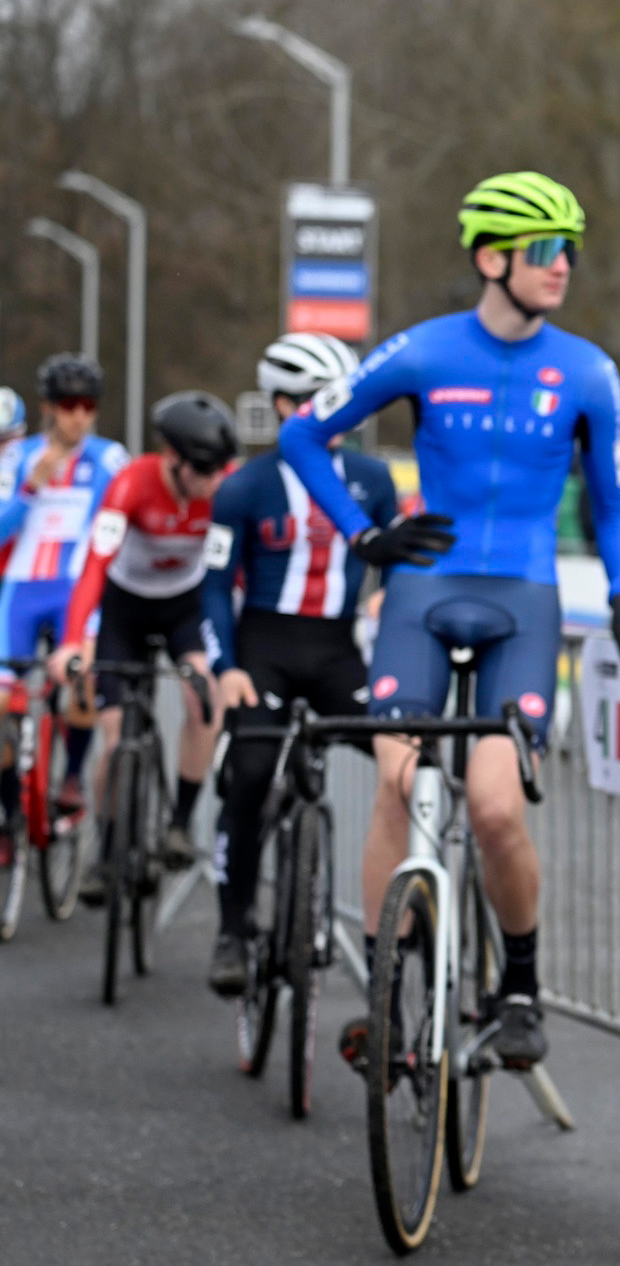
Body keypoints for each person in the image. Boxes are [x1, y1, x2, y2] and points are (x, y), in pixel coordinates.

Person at [278, 171, 620, 1073]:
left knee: (491, 806)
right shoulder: (422, 352)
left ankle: (519, 987)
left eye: (571, 250)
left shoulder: (588, 370)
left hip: (523, 599)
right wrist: (365, 534)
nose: (564, 267)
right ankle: (383, 991)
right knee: (399, 787)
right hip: (421, 592)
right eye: (547, 250)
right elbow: (300, 438)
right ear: (493, 258)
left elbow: (610, 503)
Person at [200, 332, 396, 996]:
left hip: (338, 649)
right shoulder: (244, 488)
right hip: (265, 649)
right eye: (315, 400)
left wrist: (390, 609)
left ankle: (413, 916)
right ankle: (232, 929)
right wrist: (226, 665)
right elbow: (212, 585)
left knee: (409, 760)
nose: (332, 413)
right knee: (252, 771)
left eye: (341, 401)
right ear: (283, 405)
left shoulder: (371, 479)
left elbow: (397, 565)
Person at [54, 392, 236, 903]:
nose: (212, 480)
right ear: (171, 457)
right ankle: (106, 852)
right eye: (202, 468)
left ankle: (178, 823)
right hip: (124, 613)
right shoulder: (132, 483)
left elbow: (229, 575)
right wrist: (72, 643)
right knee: (113, 741)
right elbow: (93, 565)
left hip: (183, 610)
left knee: (204, 699)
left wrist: (225, 661)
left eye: (219, 468)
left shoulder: (219, 493)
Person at [0, 361, 126, 871]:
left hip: (78, 593)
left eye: (89, 407)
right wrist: (30, 488)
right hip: (20, 595)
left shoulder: (110, 457)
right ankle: (8, 816)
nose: (79, 418)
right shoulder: (17, 458)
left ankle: (72, 777)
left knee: (81, 680)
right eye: (69, 407)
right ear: (50, 408)